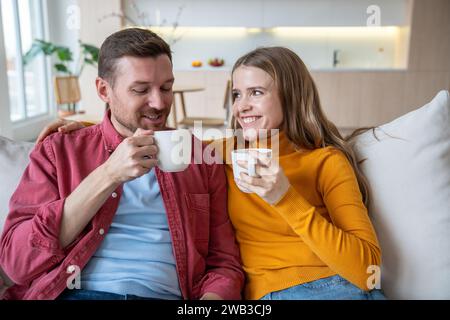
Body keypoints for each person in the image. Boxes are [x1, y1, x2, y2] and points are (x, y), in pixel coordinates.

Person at [36, 46, 386, 300]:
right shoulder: (219, 154)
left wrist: (285, 199)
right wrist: (88, 128)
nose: (242, 106)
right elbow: (149, 138)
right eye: (236, 94)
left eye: (256, 93)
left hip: (337, 288)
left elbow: (368, 271)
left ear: (291, 96)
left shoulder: (325, 162)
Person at [0, 28, 244, 300]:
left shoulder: (201, 158)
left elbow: (223, 261)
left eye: (166, 87)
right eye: (141, 90)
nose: (159, 102)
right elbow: (16, 263)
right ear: (104, 90)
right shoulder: (59, 150)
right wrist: (108, 175)